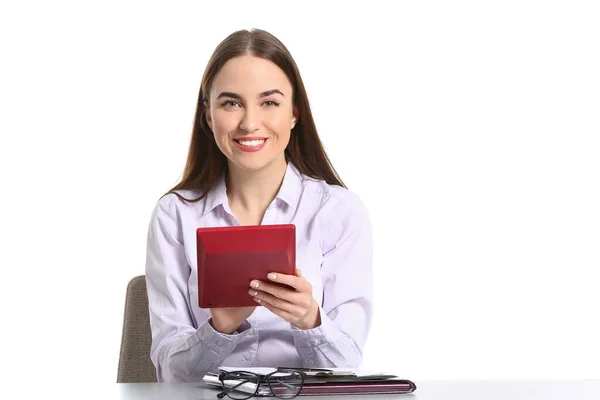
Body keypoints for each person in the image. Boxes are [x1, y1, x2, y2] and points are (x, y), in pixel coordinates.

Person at [144, 28, 373, 383]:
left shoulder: (339, 212)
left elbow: (348, 365)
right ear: (208, 115)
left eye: (270, 102)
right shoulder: (175, 215)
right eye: (230, 103)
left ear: (294, 113)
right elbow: (170, 374)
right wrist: (219, 328)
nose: (250, 123)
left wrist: (309, 318)